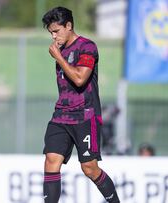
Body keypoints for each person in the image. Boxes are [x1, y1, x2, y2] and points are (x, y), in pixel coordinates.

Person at [41, 7, 120, 203]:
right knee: (51, 161)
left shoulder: (87, 46)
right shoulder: (60, 49)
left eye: (56, 31)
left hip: (85, 115)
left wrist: (58, 57)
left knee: (89, 168)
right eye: (51, 32)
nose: (53, 36)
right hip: (61, 116)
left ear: (69, 26)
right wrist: (59, 55)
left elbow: (79, 79)